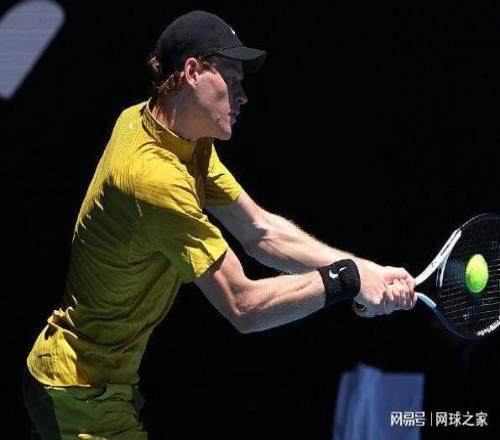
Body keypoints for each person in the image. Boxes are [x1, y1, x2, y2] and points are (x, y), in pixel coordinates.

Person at [23, 10, 417, 439]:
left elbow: (261, 231)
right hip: (78, 394)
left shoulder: (165, 130)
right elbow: (243, 305)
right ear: (192, 72)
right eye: (231, 79)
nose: (243, 95)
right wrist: (345, 280)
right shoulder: (153, 178)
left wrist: (366, 269)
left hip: (98, 383)